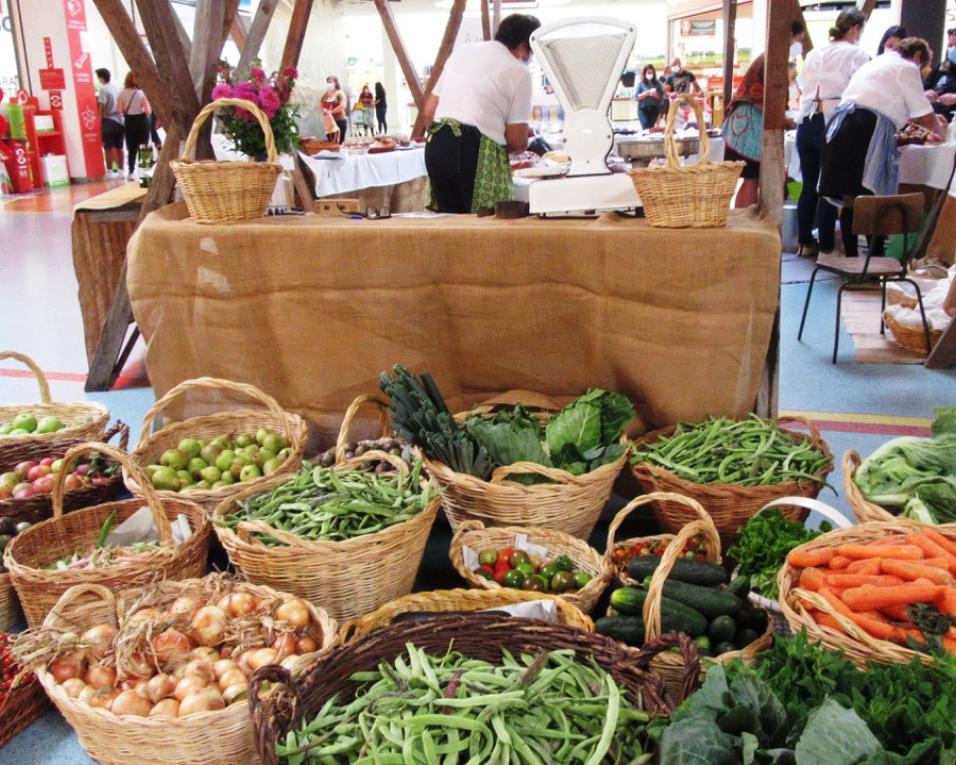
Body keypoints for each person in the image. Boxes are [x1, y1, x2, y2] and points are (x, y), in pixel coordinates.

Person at [819, 37, 946, 257]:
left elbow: (892, 102)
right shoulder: (907, 67)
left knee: (851, 199)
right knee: (872, 197)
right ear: (917, 56)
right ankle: (875, 261)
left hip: (841, 125)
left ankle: (852, 259)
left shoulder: (875, 63)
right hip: (865, 128)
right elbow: (923, 115)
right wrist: (940, 130)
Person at [420, 13, 540, 214]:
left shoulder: (462, 52)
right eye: (531, 51)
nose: (529, 58)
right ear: (522, 46)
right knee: (480, 227)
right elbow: (517, 141)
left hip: (437, 144)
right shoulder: (519, 73)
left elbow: (429, 110)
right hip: (474, 149)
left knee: (448, 223)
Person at [794, 9, 870, 257]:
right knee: (828, 184)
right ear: (856, 28)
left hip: (806, 118)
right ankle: (826, 245)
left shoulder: (815, 52)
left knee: (809, 185)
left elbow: (804, 83)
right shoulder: (856, 54)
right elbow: (862, 87)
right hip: (831, 119)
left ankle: (805, 241)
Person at [722, 54, 764, 208]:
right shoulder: (770, 59)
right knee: (751, 178)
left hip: (743, 122)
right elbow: (760, 100)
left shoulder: (764, 59)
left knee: (750, 179)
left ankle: (743, 219)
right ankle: (746, 222)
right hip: (750, 124)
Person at [117, 71, 151, 180]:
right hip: (142, 121)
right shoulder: (141, 93)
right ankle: (145, 173)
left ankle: (131, 172)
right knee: (144, 146)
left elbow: (119, 110)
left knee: (131, 147)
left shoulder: (122, 93)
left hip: (129, 121)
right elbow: (148, 111)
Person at [95, 68, 124, 178]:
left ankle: (112, 170)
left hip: (109, 121)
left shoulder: (103, 89)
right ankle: (121, 170)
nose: (98, 79)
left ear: (102, 77)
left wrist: (99, 120)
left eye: (98, 77)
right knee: (119, 147)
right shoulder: (116, 88)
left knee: (109, 147)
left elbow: (102, 106)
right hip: (120, 121)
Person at [925, 28, 956, 121]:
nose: (953, 49)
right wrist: (927, 93)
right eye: (950, 45)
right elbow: (925, 87)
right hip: (936, 120)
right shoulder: (942, 66)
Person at [634, 64, 663, 130]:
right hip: (643, 109)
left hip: (654, 109)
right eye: (648, 73)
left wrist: (655, 94)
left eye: (651, 72)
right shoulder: (641, 84)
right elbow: (636, 97)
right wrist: (647, 93)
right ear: (644, 73)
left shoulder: (657, 84)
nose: (650, 74)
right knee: (645, 125)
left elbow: (661, 98)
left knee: (651, 128)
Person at [323, 76, 347, 144]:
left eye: (331, 82)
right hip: (329, 122)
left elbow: (342, 105)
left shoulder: (339, 93)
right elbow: (322, 104)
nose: (329, 84)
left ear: (336, 83)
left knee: (339, 143)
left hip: (339, 121)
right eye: (327, 83)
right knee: (331, 143)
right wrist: (324, 110)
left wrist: (331, 111)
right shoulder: (326, 94)